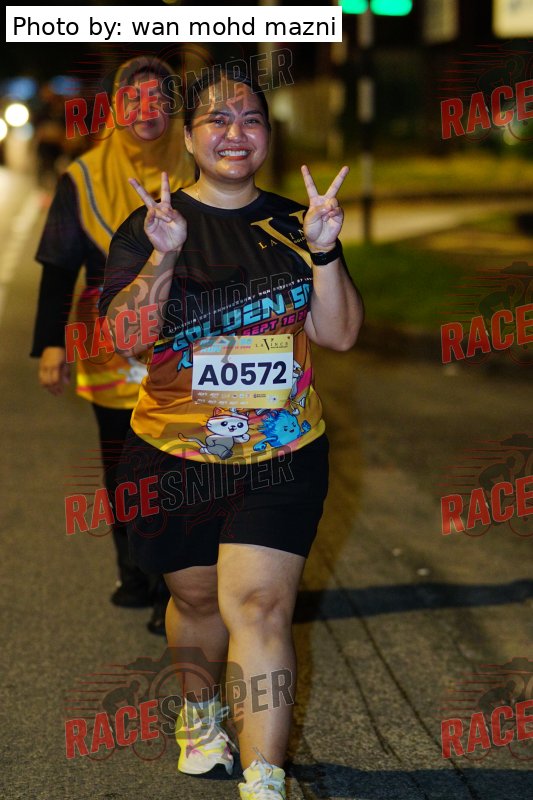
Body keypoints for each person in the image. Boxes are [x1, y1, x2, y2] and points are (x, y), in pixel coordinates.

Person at [100, 69, 363, 799]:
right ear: (188, 138)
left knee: (258, 607)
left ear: (268, 136)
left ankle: (263, 779)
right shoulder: (151, 224)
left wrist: (325, 250)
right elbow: (126, 338)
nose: (234, 133)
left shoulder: (298, 224)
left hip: (282, 452)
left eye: (250, 119)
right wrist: (164, 255)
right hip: (175, 453)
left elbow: (339, 334)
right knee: (195, 603)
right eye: (216, 120)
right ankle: (199, 714)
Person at [31, 56, 194, 635]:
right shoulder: (83, 177)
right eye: (133, 99)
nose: (147, 110)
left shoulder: (199, 164)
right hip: (109, 343)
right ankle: (134, 573)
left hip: (184, 335)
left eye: (159, 98)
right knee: (122, 462)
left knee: (176, 460)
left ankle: (172, 590)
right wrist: (51, 344)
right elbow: (59, 265)